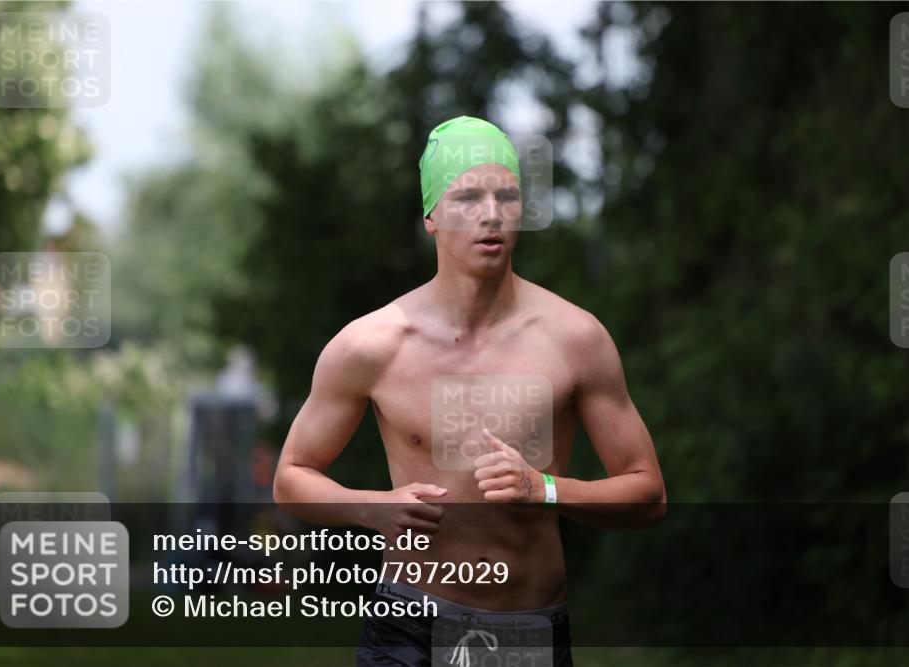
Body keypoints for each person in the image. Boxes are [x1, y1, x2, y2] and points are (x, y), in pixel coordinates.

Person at [273, 115, 667, 667]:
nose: (491, 214)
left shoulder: (575, 338)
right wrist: (374, 509)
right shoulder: (372, 345)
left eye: (507, 196)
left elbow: (647, 493)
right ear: (431, 216)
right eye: (467, 197)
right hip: (407, 625)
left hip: (527, 631)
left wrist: (545, 488)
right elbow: (291, 479)